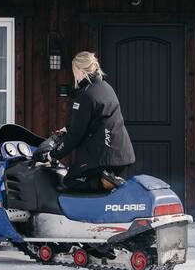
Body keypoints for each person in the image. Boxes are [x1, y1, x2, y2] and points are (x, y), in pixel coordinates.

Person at [51, 51, 136, 191]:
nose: (74, 75)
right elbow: (93, 118)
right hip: (122, 154)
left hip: (104, 156)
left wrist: (53, 155)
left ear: (80, 70)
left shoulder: (85, 94)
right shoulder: (106, 87)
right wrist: (68, 128)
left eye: (74, 71)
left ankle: (105, 182)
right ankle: (107, 181)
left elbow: (75, 135)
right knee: (90, 180)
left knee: (70, 181)